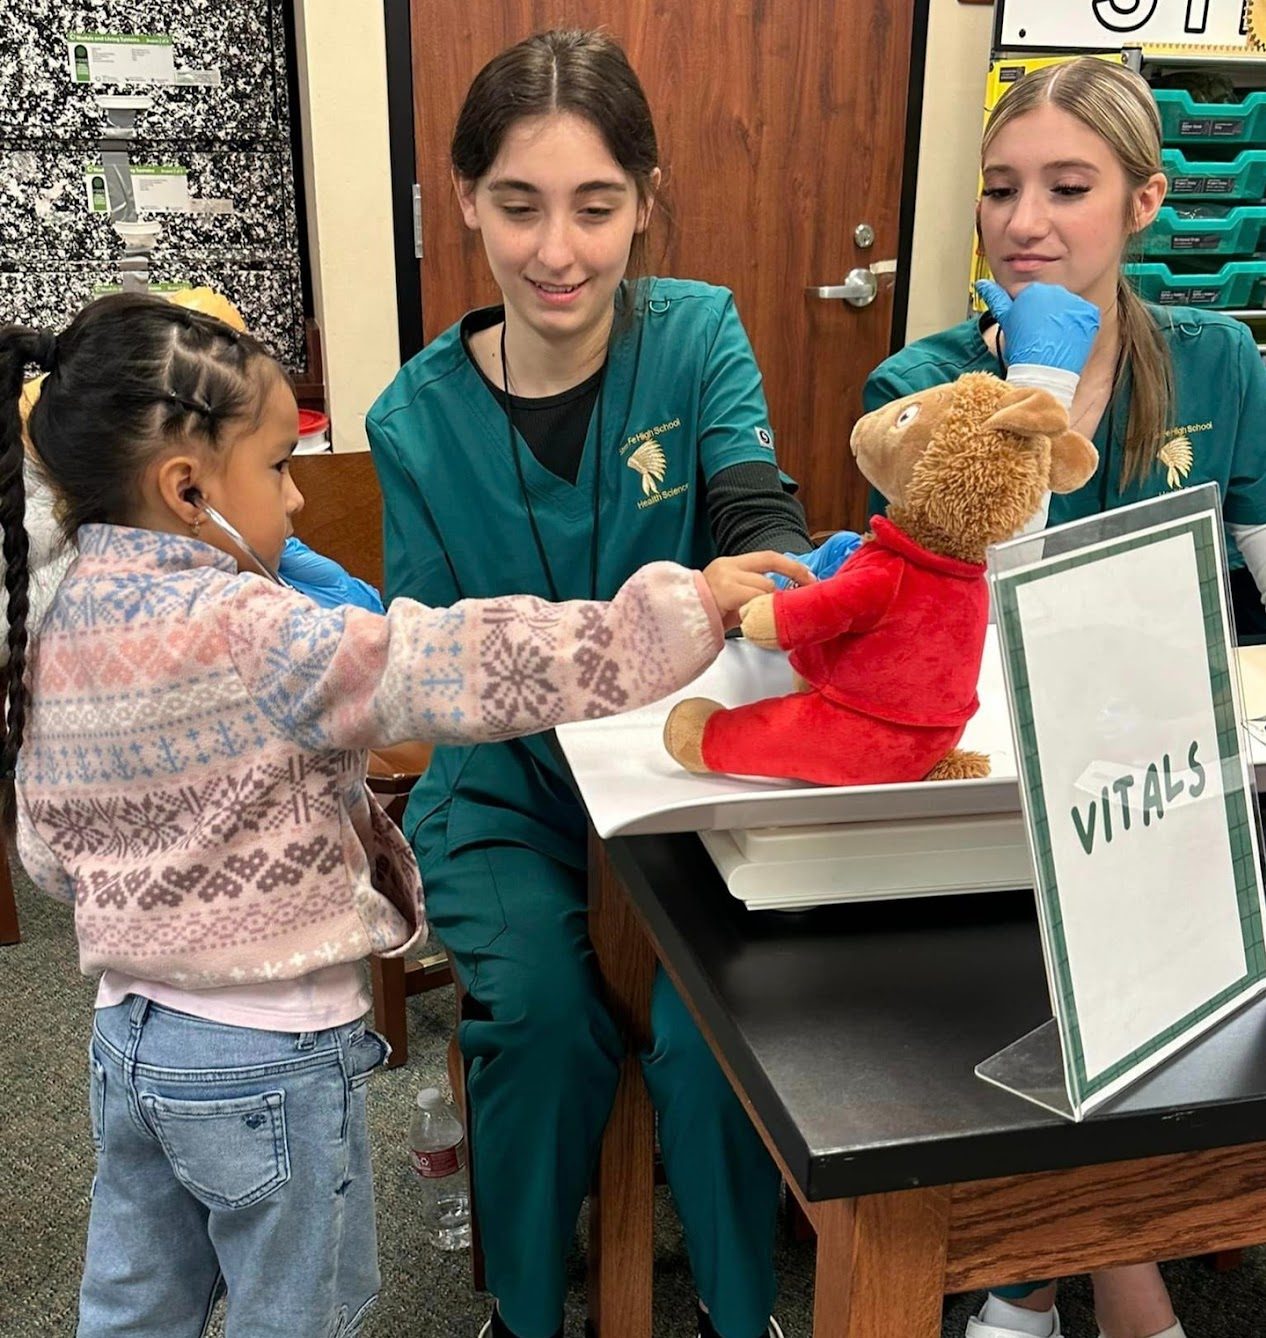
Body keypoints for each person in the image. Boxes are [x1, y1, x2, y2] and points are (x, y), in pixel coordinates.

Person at [2, 292, 805, 1337]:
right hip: (270, 1052)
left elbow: (47, 853)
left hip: (127, 1043)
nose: (294, 503)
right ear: (186, 487)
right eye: (280, 467)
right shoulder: (264, 629)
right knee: (294, 1309)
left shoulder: (51, 615)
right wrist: (680, 612)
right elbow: (459, 667)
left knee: (132, 1300)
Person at [367, 28, 841, 1338]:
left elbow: (754, 500)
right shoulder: (413, 418)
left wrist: (774, 571)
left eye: (596, 205)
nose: (557, 250)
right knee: (535, 1015)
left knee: (712, 1037)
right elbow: (426, 666)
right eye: (518, 206)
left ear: (642, 198)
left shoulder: (694, 337)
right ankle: (525, 1311)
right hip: (502, 794)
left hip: (687, 772)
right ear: (465, 199)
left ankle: (739, 1314)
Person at [862, 54, 1266, 1338]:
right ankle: (1101, 1275)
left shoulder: (1218, 362)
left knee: (1164, 943)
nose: (1024, 221)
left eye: (1068, 187)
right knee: (1048, 959)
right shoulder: (918, 386)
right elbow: (963, 617)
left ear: (1146, 202)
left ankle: (1039, 1273)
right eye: (1000, 189)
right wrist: (1031, 385)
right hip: (987, 779)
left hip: (1169, 776)